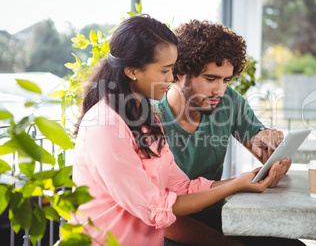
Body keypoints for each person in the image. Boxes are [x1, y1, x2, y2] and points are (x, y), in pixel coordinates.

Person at [71, 15, 288, 246]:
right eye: (165, 70)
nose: (170, 78)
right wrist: (235, 186)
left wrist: (245, 179)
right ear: (132, 70)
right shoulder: (106, 125)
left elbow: (180, 187)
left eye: (171, 69)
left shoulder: (143, 117)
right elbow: (157, 208)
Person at [156, 20, 304, 245]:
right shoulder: (150, 119)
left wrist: (273, 157)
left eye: (226, 80)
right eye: (210, 79)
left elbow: (260, 145)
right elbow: (162, 217)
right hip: (169, 227)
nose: (220, 90)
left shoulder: (229, 102)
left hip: (215, 211)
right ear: (178, 73)